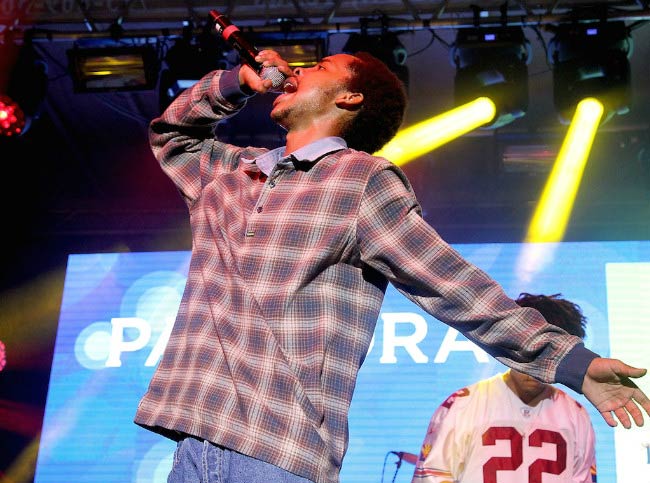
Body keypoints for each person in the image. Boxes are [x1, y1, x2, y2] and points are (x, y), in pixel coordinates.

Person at [133, 48, 649, 483]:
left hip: (276, 448)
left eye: (317, 68)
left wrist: (576, 365)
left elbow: (450, 282)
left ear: (349, 98)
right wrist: (233, 83)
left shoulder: (361, 179)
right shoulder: (232, 174)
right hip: (193, 440)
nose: (294, 70)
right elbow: (172, 135)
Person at [411, 293, 598, 483]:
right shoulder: (463, 404)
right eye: (530, 350)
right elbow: (431, 475)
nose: (536, 363)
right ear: (511, 344)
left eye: (547, 353)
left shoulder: (576, 415)